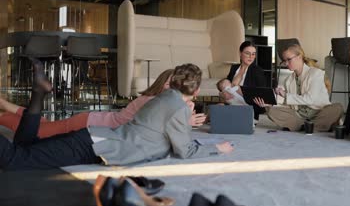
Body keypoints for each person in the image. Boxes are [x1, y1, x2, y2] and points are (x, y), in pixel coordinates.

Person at [0, 61, 233, 171]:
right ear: (197, 91)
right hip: (93, 145)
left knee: (26, 145)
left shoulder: (161, 98)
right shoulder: (176, 106)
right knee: (15, 160)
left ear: (170, 83)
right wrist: (217, 148)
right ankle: (38, 94)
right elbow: (185, 150)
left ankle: (39, 93)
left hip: (92, 139)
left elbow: (169, 135)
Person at [0, 69, 207, 139]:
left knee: (42, 125)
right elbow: (158, 128)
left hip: (94, 121)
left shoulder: (158, 100)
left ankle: (3, 106)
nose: (172, 88)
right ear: (162, 83)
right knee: (39, 132)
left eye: (175, 84)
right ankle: (3, 114)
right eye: (169, 83)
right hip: (91, 123)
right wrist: (185, 121)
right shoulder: (154, 101)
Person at [254, 44, 343, 132]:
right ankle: (311, 126)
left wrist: (285, 95)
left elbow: (310, 99)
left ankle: (310, 126)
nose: (286, 63)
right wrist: (269, 105)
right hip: (299, 117)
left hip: (319, 113)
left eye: (289, 59)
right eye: (284, 61)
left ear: (299, 57)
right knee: (271, 111)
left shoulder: (316, 73)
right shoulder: (288, 80)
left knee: (337, 108)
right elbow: (290, 106)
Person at [221, 41, 267, 119]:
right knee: (215, 108)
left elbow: (261, 95)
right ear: (240, 53)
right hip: (232, 102)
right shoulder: (234, 68)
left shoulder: (257, 71)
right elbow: (226, 85)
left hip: (247, 106)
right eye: (247, 53)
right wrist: (223, 93)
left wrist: (239, 90)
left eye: (253, 54)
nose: (251, 57)